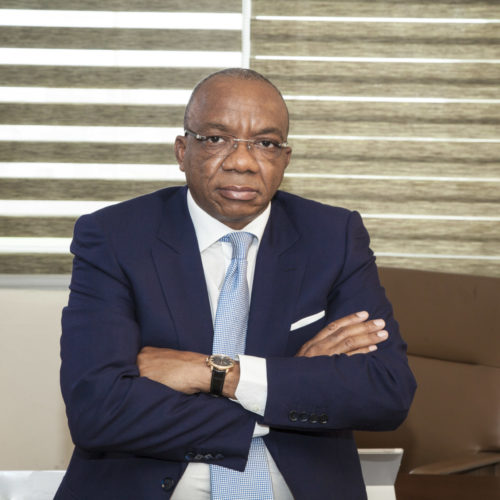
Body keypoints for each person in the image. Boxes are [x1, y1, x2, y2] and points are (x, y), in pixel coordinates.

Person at [55, 68, 416, 500]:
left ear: (285, 158)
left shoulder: (333, 237)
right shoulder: (115, 237)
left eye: (265, 143)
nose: (242, 162)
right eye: (216, 139)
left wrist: (213, 374)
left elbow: (386, 391)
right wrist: (287, 390)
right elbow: (97, 410)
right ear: (182, 150)